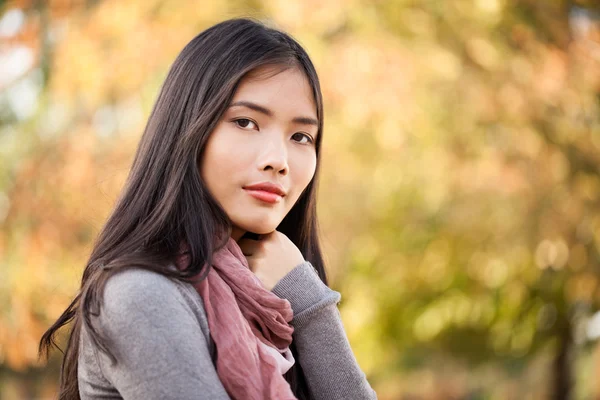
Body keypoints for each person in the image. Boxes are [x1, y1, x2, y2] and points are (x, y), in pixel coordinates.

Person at [39, 17, 378, 400]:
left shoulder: (268, 296)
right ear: (189, 129)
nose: (278, 160)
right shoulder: (142, 293)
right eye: (246, 122)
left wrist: (309, 301)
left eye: (301, 136)